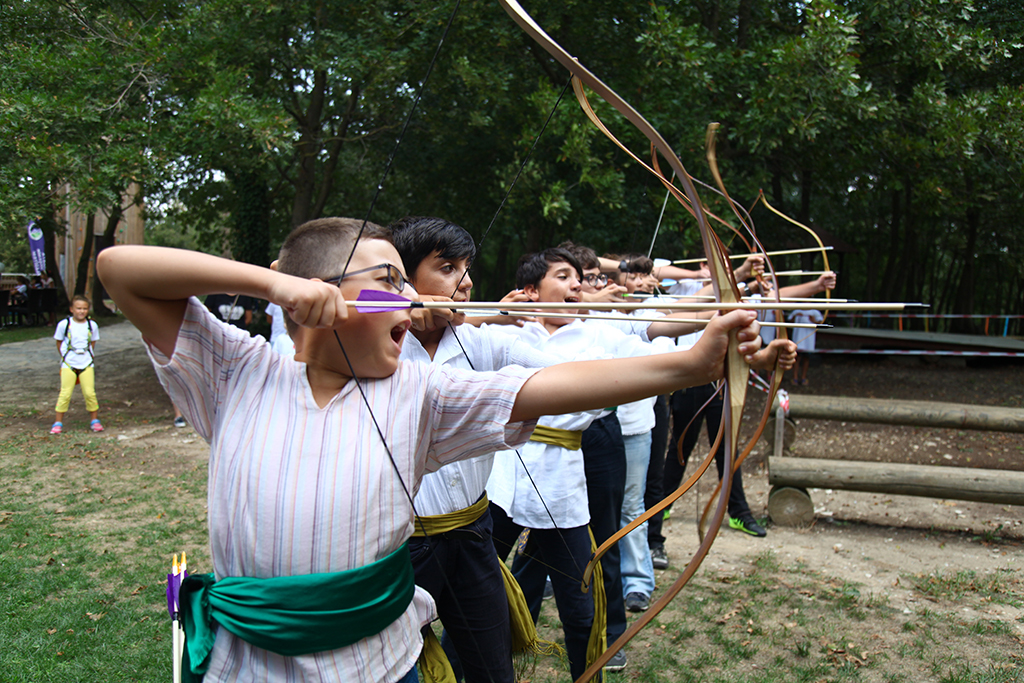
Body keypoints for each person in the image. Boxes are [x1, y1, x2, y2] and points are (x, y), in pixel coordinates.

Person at [95, 217, 764, 683]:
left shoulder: (420, 392)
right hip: (248, 662)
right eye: (390, 280)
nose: (412, 299)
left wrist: (690, 364)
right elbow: (118, 267)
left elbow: (543, 385)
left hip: (378, 665)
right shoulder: (236, 372)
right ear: (320, 293)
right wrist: (274, 285)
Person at [391, 216, 559, 683]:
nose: (465, 283)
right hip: (399, 547)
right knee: (395, 669)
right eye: (447, 267)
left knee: (492, 670)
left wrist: (694, 361)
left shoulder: (485, 342)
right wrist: (397, 307)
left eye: (466, 268)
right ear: (402, 276)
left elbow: (569, 375)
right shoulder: (367, 345)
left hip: (472, 536)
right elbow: (293, 277)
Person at [50, 295, 102, 434]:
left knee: (89, 392)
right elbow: (59, 341)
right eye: (78, 308)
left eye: (85, 308)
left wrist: (87, 355)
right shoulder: (64, 324)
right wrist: (65, 356)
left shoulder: (92, 325)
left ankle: (94, 420)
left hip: (86, 363)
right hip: (69, 363)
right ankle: (58, 422)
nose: (81, 311)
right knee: (65, 393)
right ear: (71, 309)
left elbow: (93, 342)